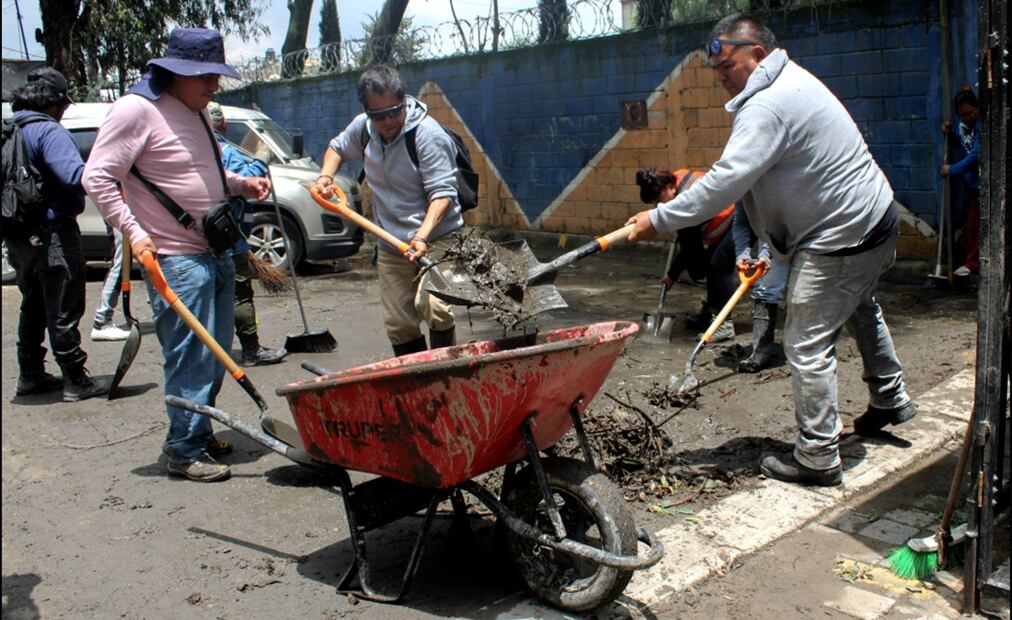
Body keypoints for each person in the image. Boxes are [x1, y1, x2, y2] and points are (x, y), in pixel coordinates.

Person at [624, 14, 915, 486]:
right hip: (874, 219)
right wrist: (770, 248)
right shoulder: (791, 82)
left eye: (727, 67)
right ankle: (890, 398)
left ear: (756, 55)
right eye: (716, 71)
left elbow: (726, 183)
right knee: (861, 306)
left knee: (804, 341)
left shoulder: (767, 106)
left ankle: (818, 456)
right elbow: (766, 188)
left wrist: (656, 219)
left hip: (841, 234)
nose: (720, 78)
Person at [82, 28, 271, 482]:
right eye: (205, 76)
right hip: (175, 257)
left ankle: (198, 432)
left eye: (215, 76)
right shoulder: (136, 110)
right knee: (189, 355)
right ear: (176, 72)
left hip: (216, 249)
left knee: (218, 350)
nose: (214, 86)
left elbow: (202, 170)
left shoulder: (198, 112)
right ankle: (183, 450)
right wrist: (133, 230)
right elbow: (97, 177)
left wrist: (241, 184)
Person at [313, 64, 461, 356]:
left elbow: (443, 194)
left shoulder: (427, 135)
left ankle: (444, 371)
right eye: (379, 115)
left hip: (437, 238)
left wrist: (421, 236)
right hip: (392, 242)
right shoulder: (364, 129)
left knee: (435, 306)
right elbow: (337, 148)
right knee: (398, 322)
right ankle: (414, 384)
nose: (389, 120)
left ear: (404, 100)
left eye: (395, 110)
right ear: (367, 112)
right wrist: (325, 177)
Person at [4, 67, 110, 402]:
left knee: (33, 302)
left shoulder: (10, 130)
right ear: (53, 104)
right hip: (52, 232)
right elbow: (72, 176)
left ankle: (31, 374)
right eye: (63, 105)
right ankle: (75, 379)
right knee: (64, 303)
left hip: (17, 233)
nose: (64, 110)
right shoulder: (49, 131)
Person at [207, 101, 287, 367]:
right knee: (240, 292)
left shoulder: (196, 150)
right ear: (225, 125)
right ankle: (251, 350)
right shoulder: (227, 152)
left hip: (204, 237)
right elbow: (244, 182)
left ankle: (211, 352)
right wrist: (261, 161)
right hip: (229, 234)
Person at [636, 167, 737, 342]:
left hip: (741, 218)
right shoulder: (677, 180)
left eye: (659, 200)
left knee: (719, 267)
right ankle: (711, 313)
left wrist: (673, 273)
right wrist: (671, 276)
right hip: (726, 219)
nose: (659, 207)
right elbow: (689, 246)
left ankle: (724, 324)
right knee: (713, 265)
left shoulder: (687, 202)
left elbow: (692, 255)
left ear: (669, 187)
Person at [730, 207, 789, 372]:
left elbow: (780, 221)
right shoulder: (742, 187)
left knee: (804, 295)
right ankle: (760, 352)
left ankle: (811, 350)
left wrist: (765, 253)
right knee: (765, 289)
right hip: (771, 234)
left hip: (805, 231)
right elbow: (741, 221)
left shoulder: (775, 183)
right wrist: (742, 254)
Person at [940, 86, 980, 278]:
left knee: (978, 225)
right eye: (962, 115)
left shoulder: (982, 126)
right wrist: (950, 135)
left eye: (970, 113)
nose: (967, 117)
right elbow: (964, 145)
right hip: (972, 185)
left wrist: (951, 169)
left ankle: (974, 263)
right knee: (972, 225)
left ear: (977, 109)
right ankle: (972, 262)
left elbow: (975, 155)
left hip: (984, 184)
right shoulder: (963, 127)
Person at [89, 226, 132, 341]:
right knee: (122, 261)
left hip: (129, 213)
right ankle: (102, 322)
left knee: (124, 260)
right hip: (122, 214)